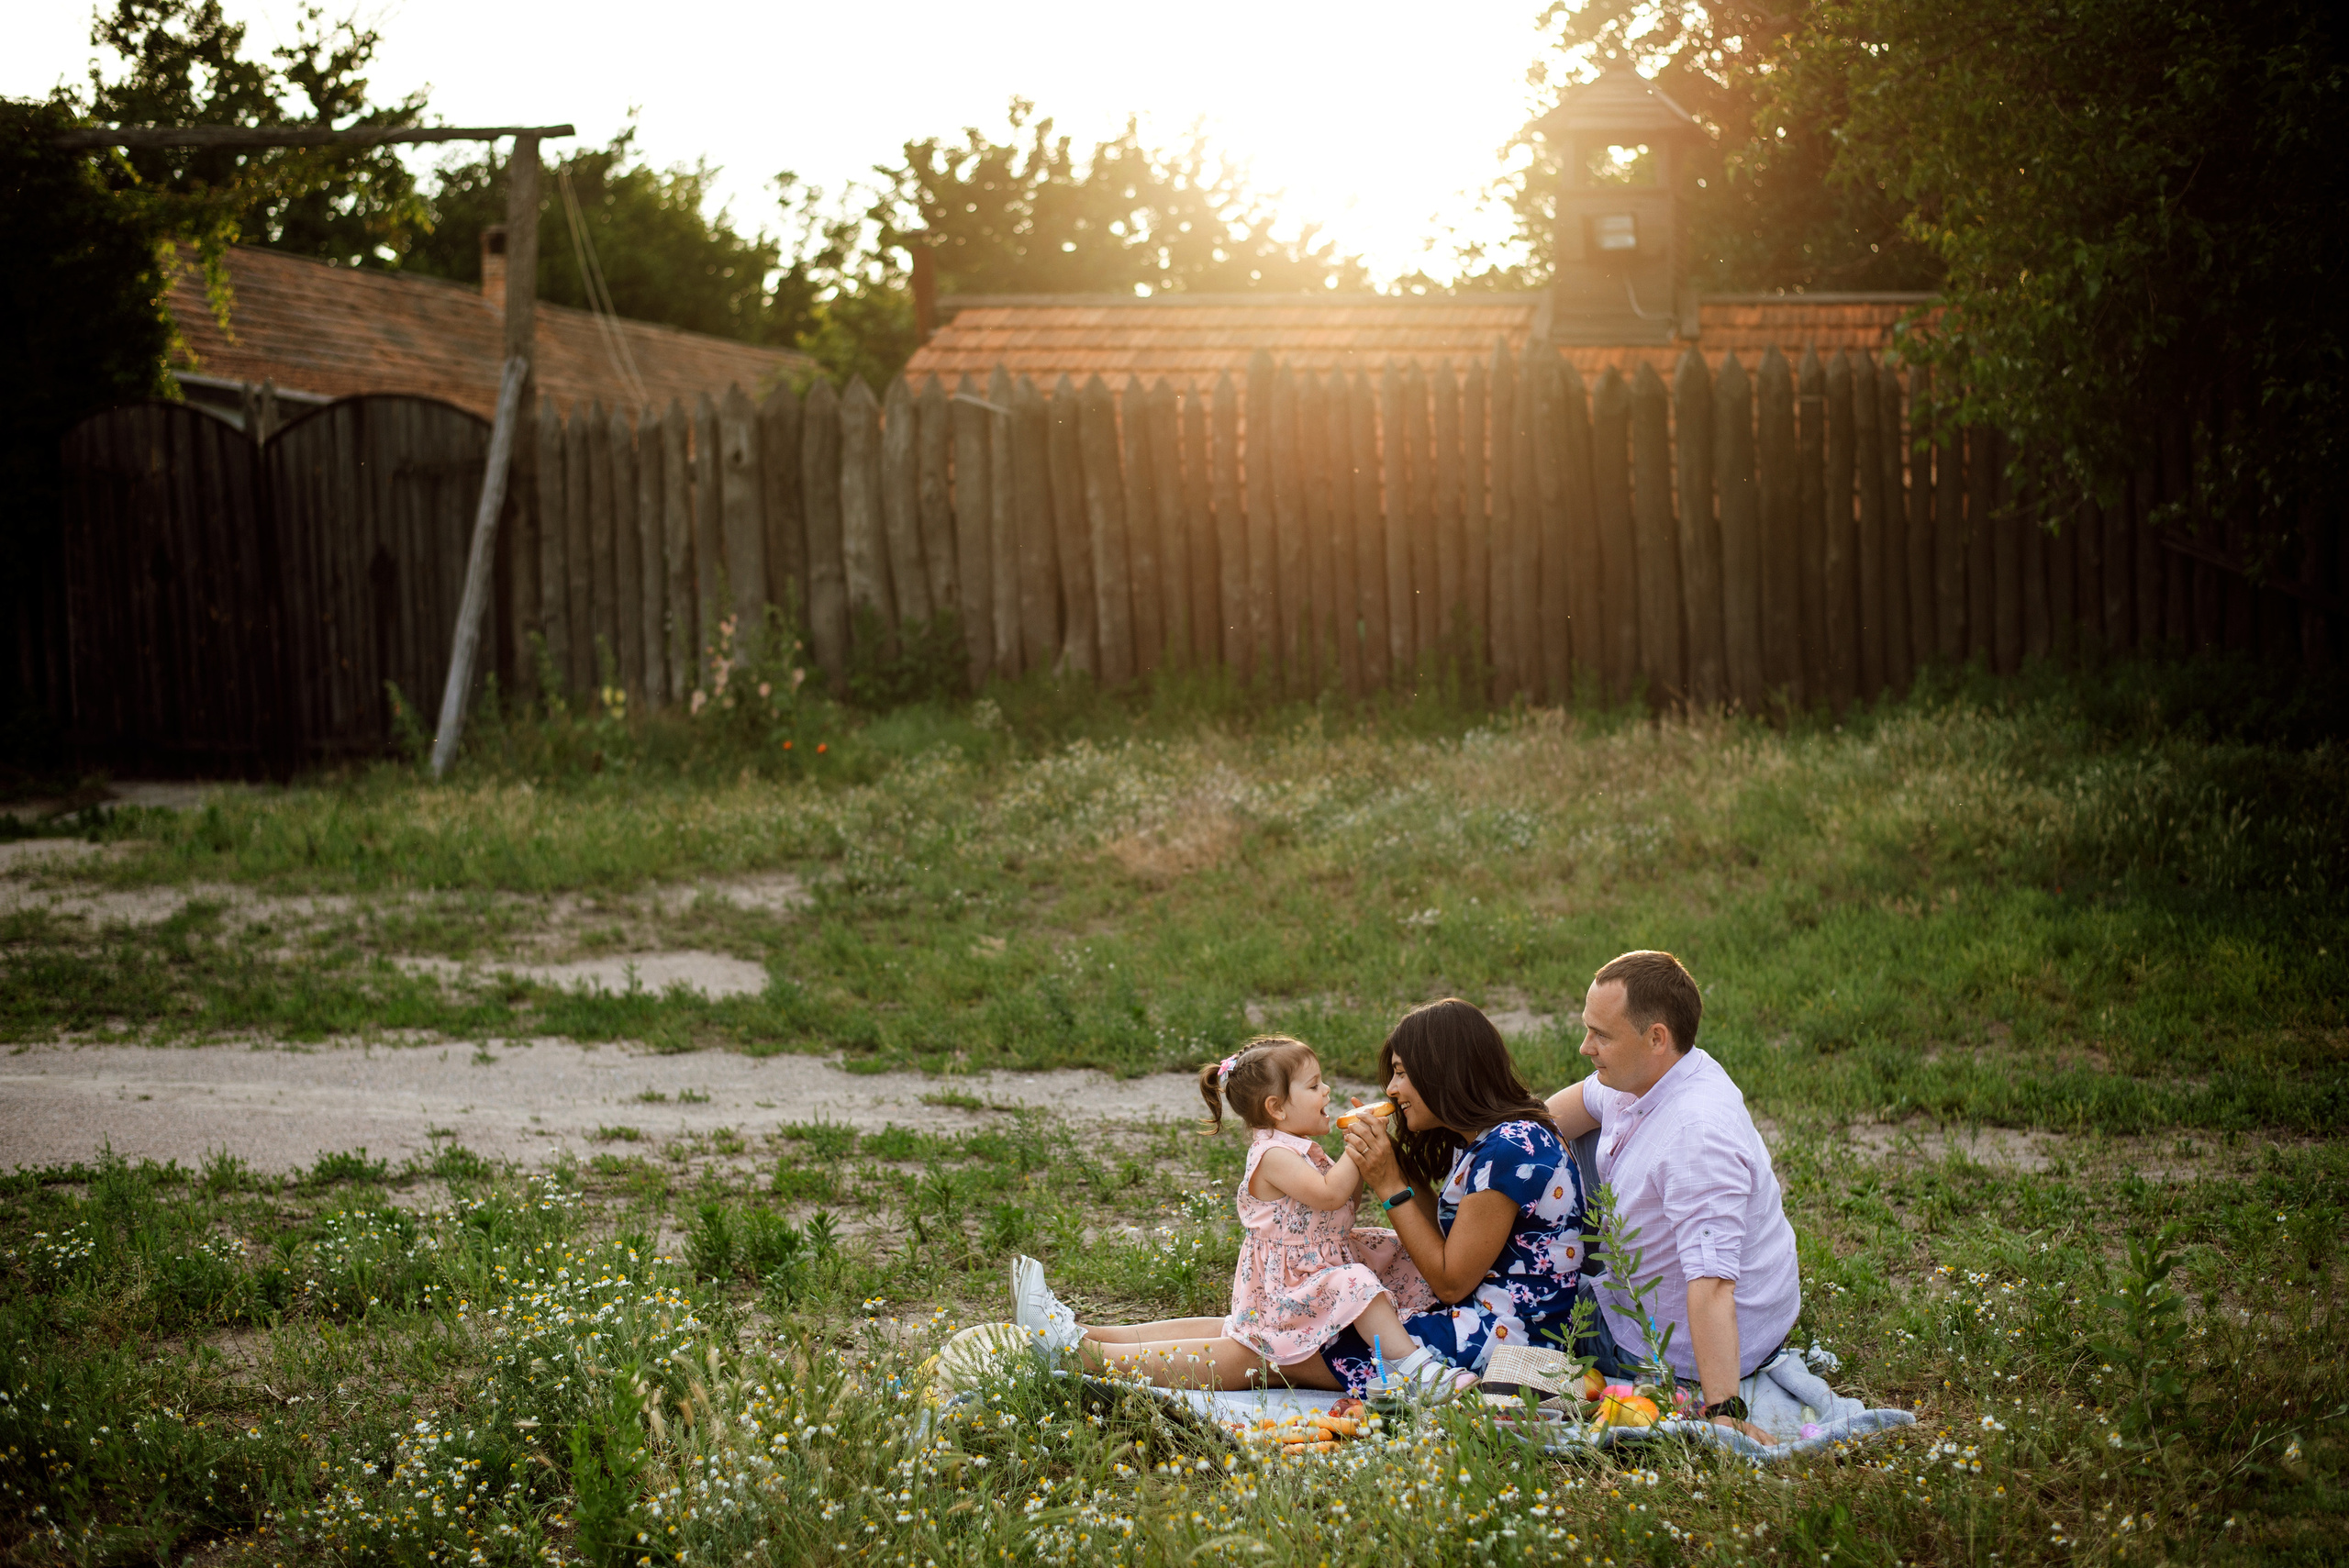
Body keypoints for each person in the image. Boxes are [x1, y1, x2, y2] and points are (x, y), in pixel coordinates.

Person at [1009, 1035, 1457, 1395]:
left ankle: (1077, 1331)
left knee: (1387, 1251)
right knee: (1349, 1287)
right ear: (1277, 1108)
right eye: (1315, 1084)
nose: (1327, 1092)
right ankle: (1412, 1371)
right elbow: (1328, 1194)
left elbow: (1346, 1202)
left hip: (1313, 1268)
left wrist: (1362, 1158)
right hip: (1290, 1282)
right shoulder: (1273, 1154)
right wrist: (1360, 1148)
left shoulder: (1303, 1150)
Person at [1542, 950, 1796, 1447]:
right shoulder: (1650, 1075)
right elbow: (1563, 1112)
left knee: (1508, 1329)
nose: (1584, 1047)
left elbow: (1714, 1283)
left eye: (1601, 1035)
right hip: (1671, 1281)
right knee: (1556, 1145)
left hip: (1678, 1344)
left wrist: (1722, 1410)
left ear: (1657, 1037)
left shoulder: (1696, 1139)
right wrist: (1502, 1152)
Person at [1334, 998, 1588, 1389]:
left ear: (1441, 1074)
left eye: (1401, 1073)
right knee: (1309, 1330)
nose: (1390, 1088)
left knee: (1319, 1344)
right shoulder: (1491, 1137)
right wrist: (1395, 1166)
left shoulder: (1511, 1149)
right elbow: (1454, 1246)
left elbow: (1451, 1281)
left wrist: (1388, 1184)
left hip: (1508, 1339)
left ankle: (1203, 1366)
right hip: (1484, 1318)